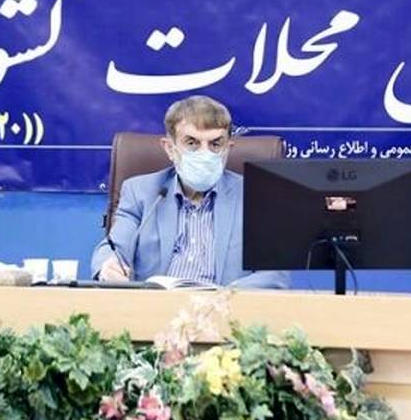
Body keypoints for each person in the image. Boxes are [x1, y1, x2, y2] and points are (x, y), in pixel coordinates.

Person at [91, 96, 289, 289]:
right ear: (170, 148)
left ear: (228, 148)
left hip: (225, 306)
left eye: (215, 144)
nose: (205, 153)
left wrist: (225, 295)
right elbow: (113, 249)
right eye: (192, 143)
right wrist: (108, 267)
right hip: (157, 306)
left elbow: (275, 273)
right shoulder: (141, 192)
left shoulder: (256, 196)